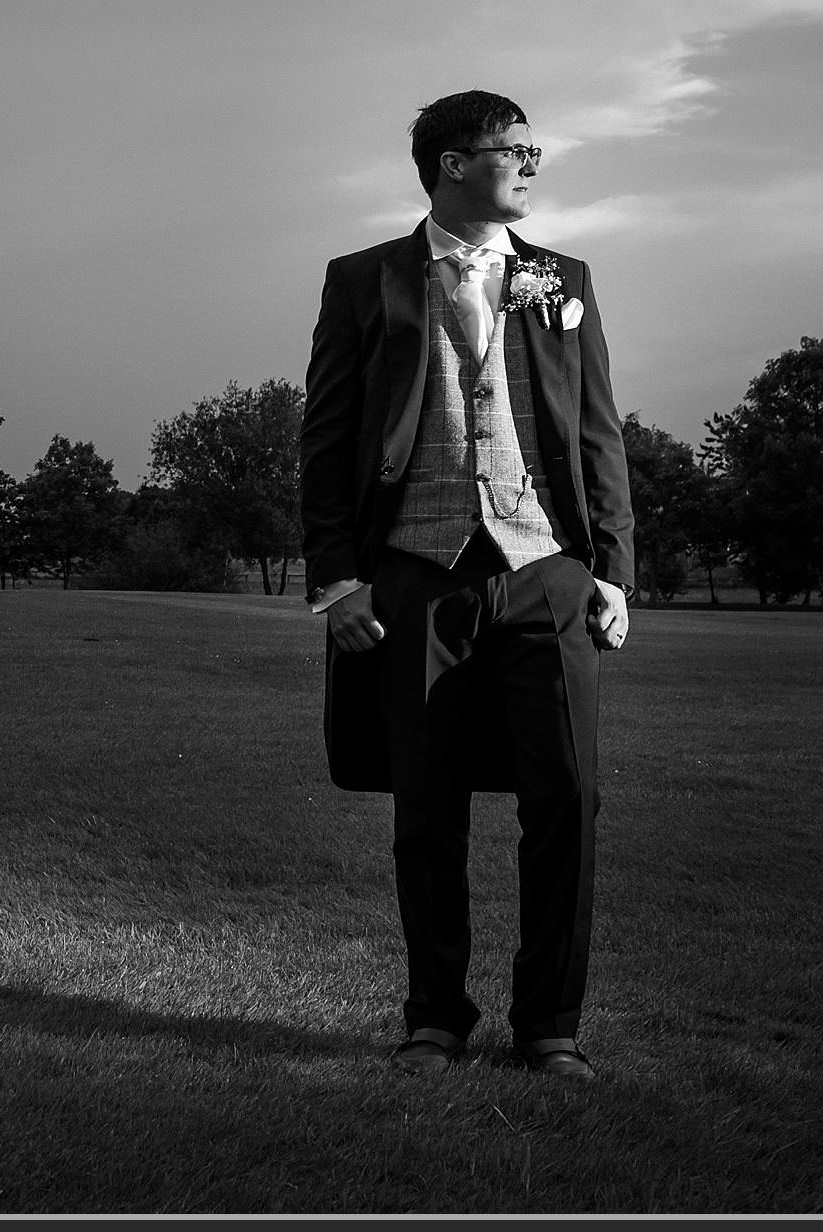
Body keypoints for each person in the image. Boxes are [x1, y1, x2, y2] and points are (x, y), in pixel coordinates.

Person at [298, 89, 633, 1081]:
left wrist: (612, 569)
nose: (532, 162)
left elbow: (598, 431)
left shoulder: (559, 278)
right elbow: (326, 438)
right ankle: (435, 1016)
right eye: (514, 147)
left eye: (533, 148)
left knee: (569, 795)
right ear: (452, 162)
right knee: (427, 809)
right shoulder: (364, 280)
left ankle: (550, 1026)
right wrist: (336, 581)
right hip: (413, 576)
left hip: (546, 572)